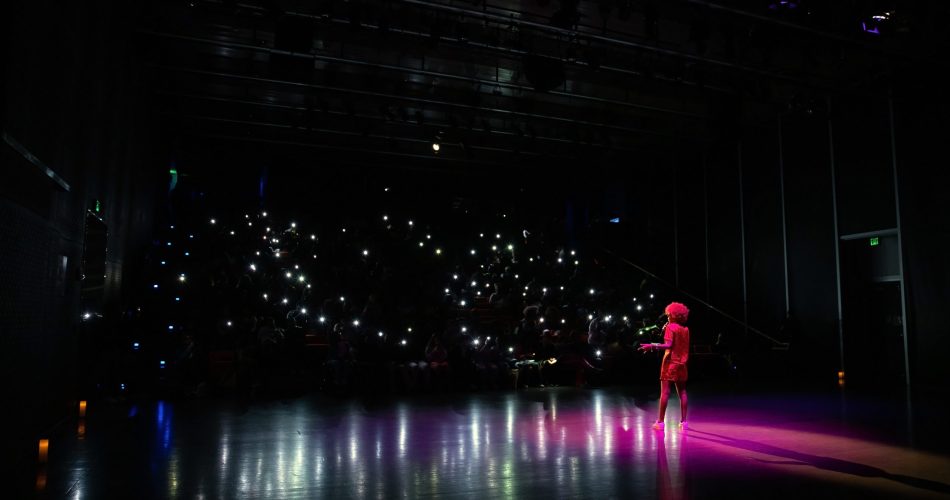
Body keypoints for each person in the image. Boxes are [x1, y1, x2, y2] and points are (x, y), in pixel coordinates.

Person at [639, 302, 690, 431]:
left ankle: (660, 422)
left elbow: (668, 345)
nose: (667, 316)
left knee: (665, 393)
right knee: (683, 393)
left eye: (668, 315)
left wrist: (652, 346)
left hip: (670, 363)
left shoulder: (670, 327)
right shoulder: (685, 330)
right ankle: (684, 422)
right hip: (682, 364)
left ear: (673, 315)